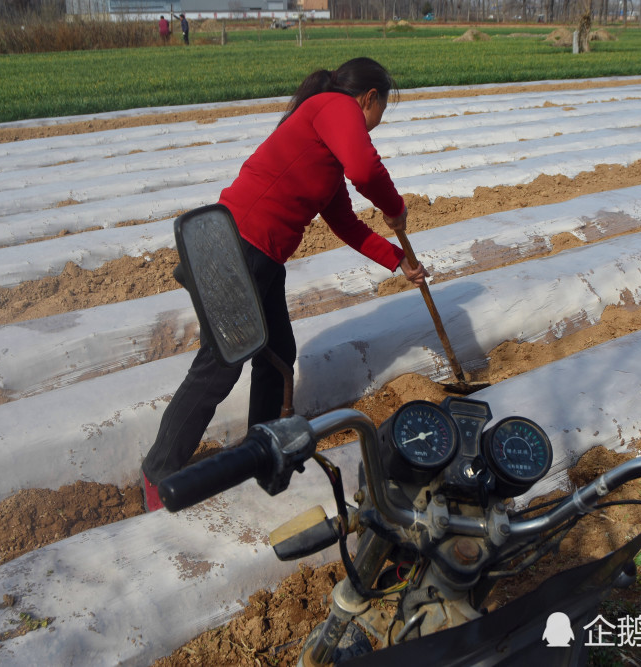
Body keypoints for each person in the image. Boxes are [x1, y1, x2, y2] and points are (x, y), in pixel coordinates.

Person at [141, 57, 429, 511]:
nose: (372, 127)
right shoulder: (334, 106)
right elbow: (366, 169)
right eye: (377, 116)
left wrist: (398, 261)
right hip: (236, 246)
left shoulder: (326, 156)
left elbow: (346, 225)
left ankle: (261, 450)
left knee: (278, 357)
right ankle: (158, 477)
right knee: (219, 365)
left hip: (261, 256)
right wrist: (394, 206)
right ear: (368, 98)